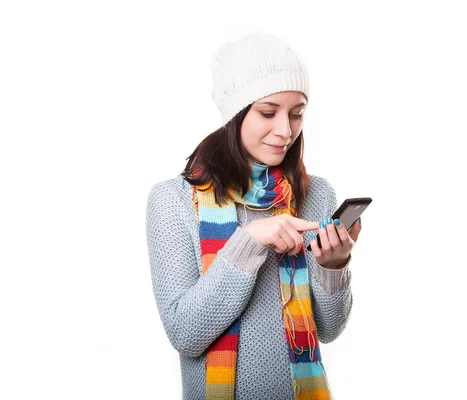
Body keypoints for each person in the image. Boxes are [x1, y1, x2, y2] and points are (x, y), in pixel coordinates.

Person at [145, 31, 362, 400]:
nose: (285, 131)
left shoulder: (316, 194)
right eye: (267, 113)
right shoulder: (173, 200)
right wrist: (248, 241)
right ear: (235, 114)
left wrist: (334, 265)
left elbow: (328, 329)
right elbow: (185, 333)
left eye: (296, 115)